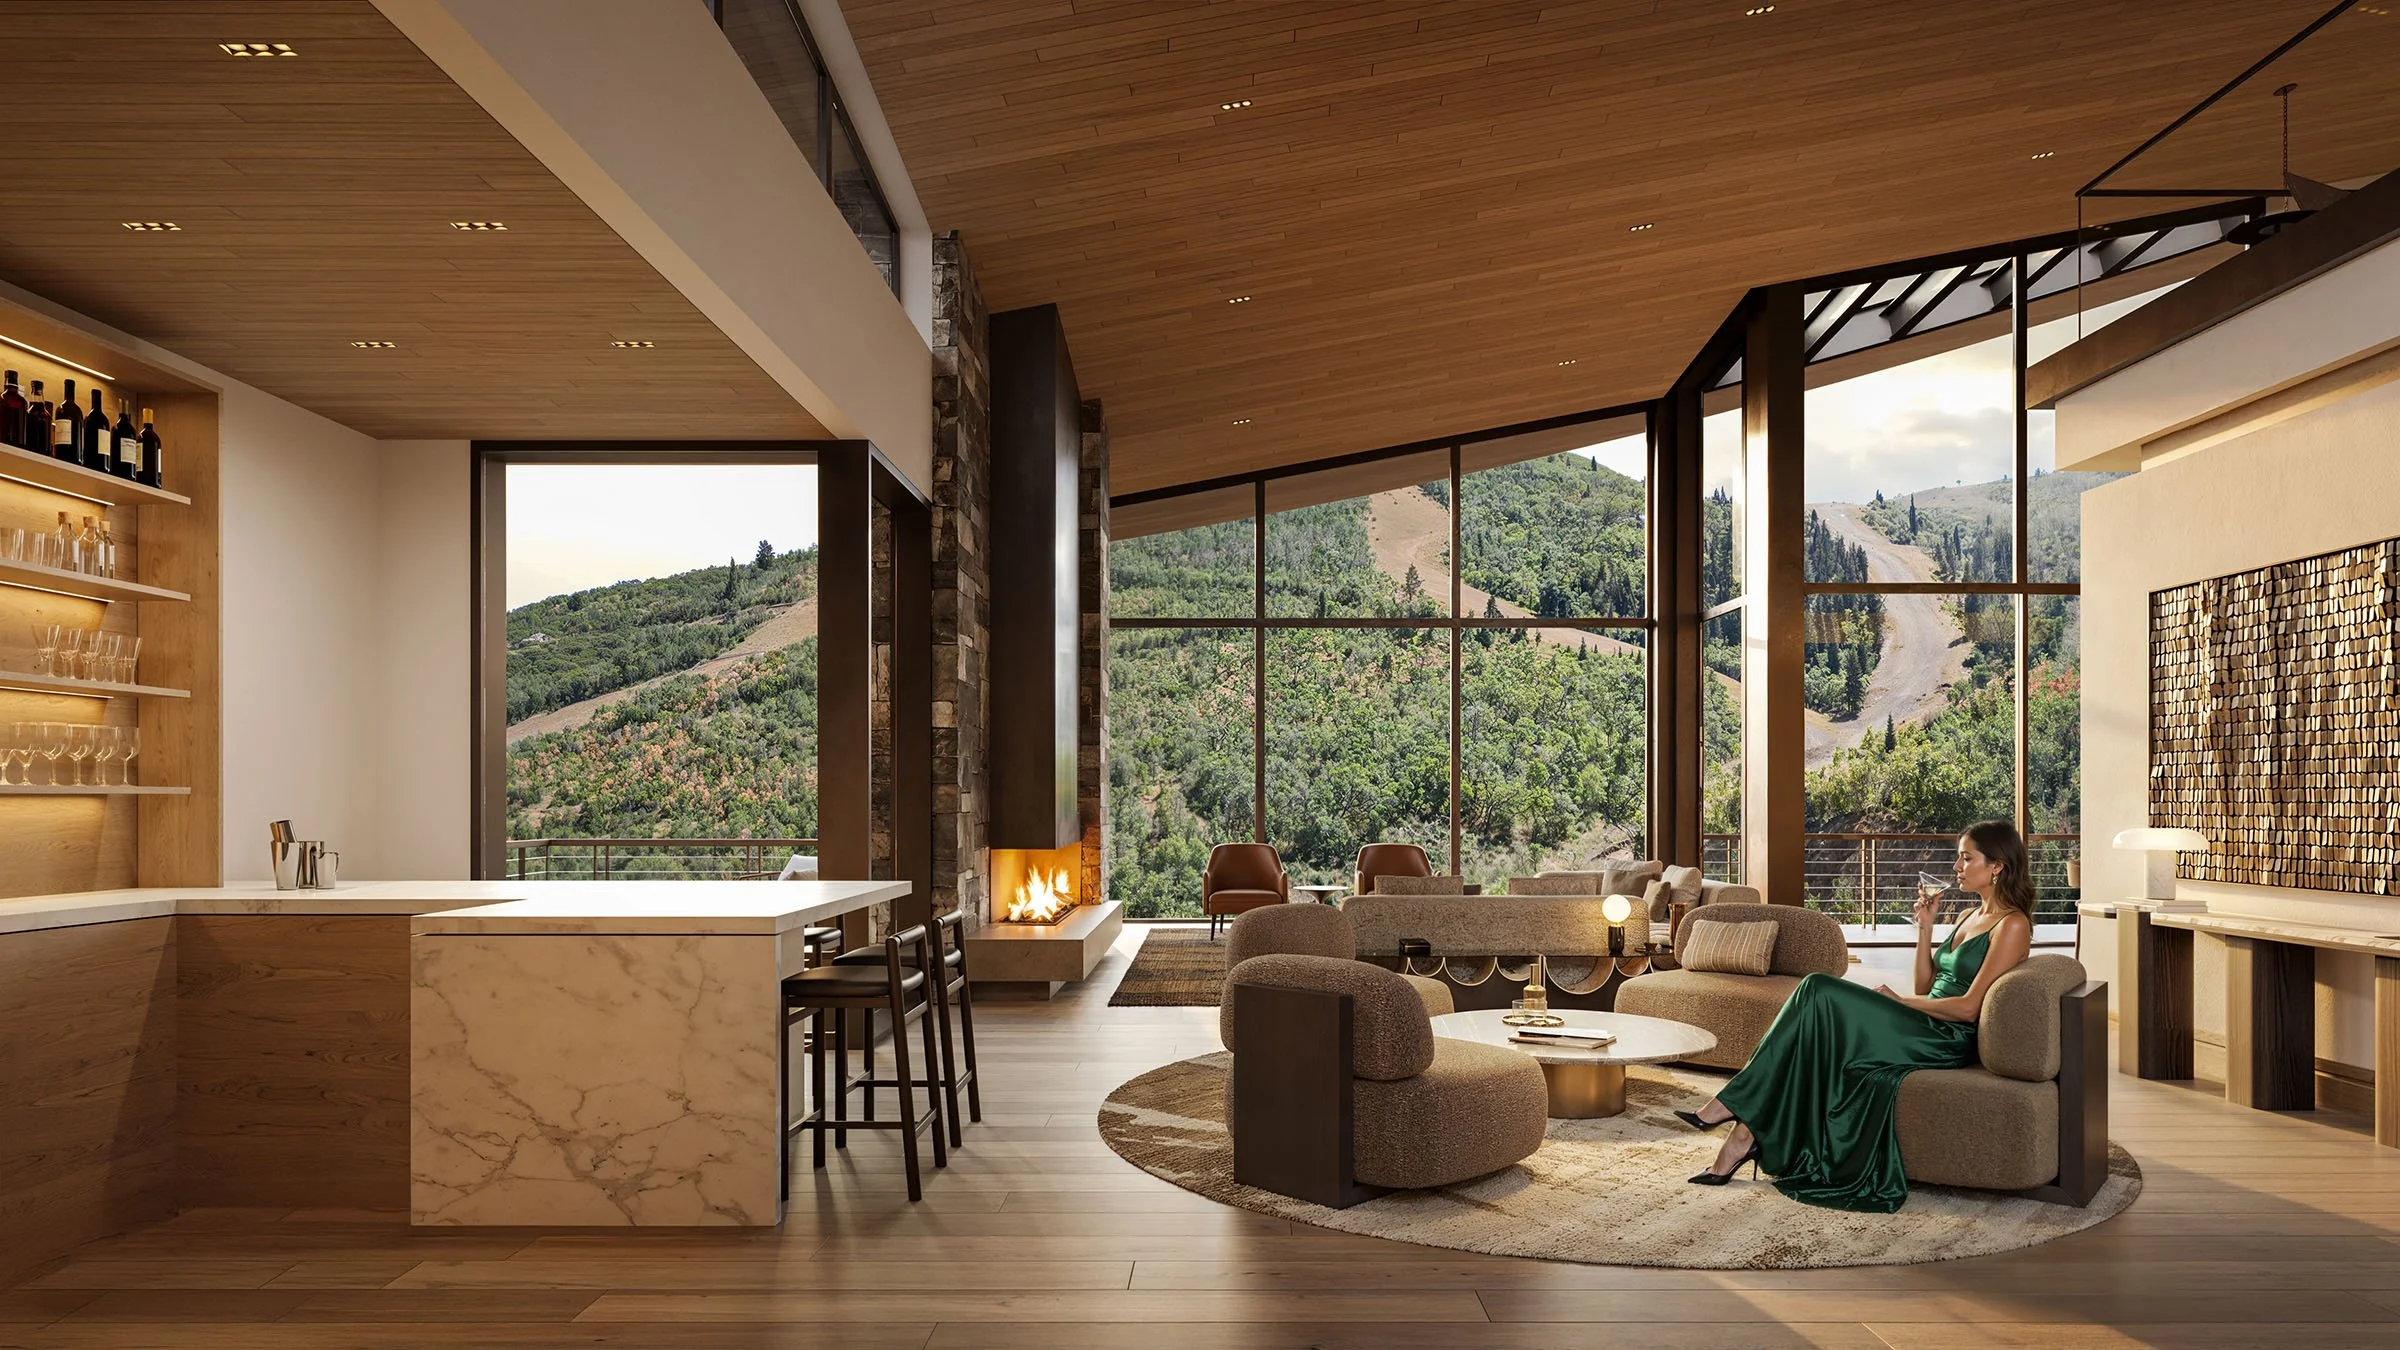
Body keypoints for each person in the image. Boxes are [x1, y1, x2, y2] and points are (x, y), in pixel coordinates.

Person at [1675, 819, 2035, 1213]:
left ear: (1997, 866)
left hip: (1944, 1038)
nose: (1956, 867)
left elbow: (1968, 1007)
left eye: (1967, 859)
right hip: (1920, 1020)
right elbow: (1926, 982)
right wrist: (1925, 929)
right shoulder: (1967, 916)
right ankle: (1743, 1134)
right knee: (1813, 1026)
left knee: (1816, 989)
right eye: (1958, 858)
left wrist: (1900, 1003)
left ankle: (1734, 1108)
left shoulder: (2012, 925)